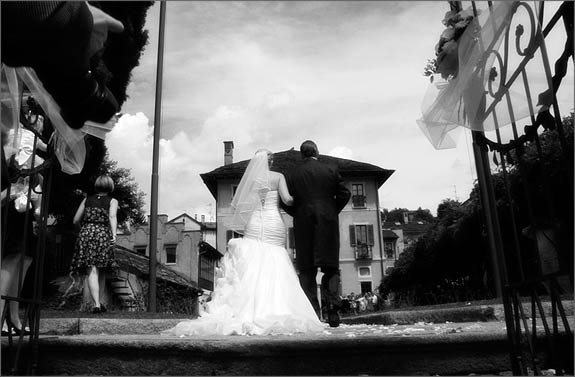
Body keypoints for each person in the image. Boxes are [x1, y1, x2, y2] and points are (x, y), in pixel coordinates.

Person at [163, 149, 324, 336]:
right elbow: (287, 200)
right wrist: (304, 195)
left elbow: (244, 204)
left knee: (254, 260)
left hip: (256, 221)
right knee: (276, 258)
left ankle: (247, 308)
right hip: (273, 221)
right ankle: (277, 305)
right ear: (270, 161)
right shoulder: (278, 176)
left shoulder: (251, 180)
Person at [285, 140, 351, 327]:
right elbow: (345, 193)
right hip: (327, 223)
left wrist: (297, 213)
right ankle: (333, 312)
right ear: (317, 152)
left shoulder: (291, 173)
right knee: (331, 268)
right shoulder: (330, 169)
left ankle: (312, 314)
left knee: (306, 270)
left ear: (301, 154)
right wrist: (331, 210)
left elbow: (285, 200)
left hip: (302, 223)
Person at [69, 175, 118, 314]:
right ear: (110, 186)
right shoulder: (112, 201)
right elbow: (112, 217)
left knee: (93, 269)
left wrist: (83, 231)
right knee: (99, 269)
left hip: (86, 233)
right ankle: (97, 304)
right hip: (103, 234)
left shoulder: (87, 200)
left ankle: (98, 303)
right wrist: (114, 234)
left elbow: (75, 220)